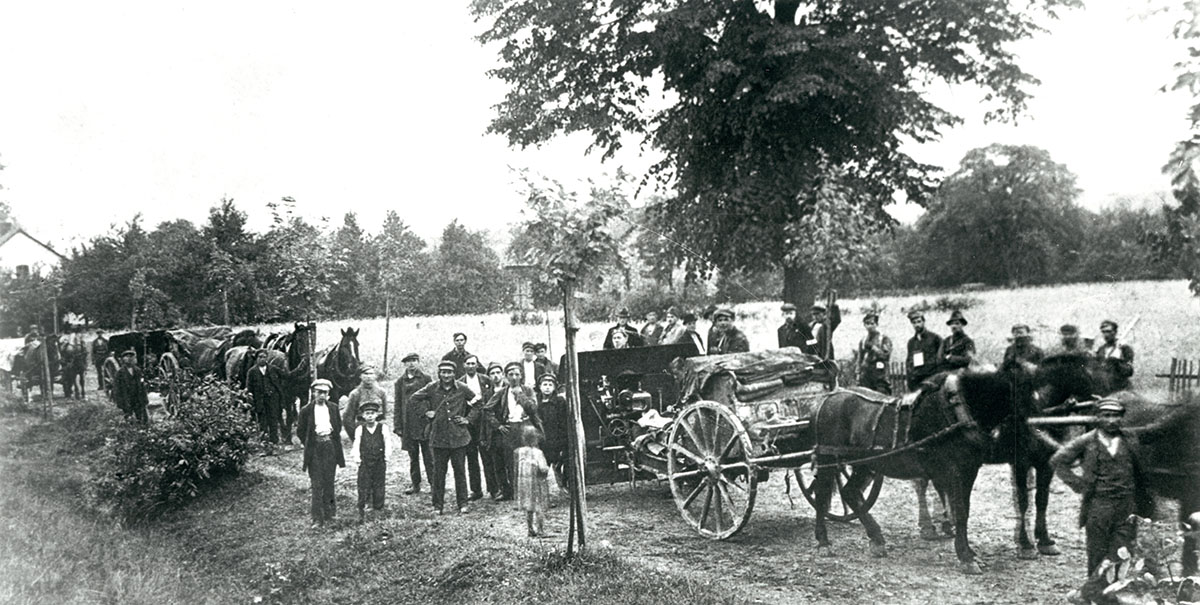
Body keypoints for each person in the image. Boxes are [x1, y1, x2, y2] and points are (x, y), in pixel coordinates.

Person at [1051, 399, 1153, 593]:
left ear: (1122, 418)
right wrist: (1079, 485)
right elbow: (1058, 461)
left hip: (1127, 506)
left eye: (1116, 416)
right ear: (1097, 418)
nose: (1112, 420)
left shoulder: (1130, 438)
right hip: (1099, 506)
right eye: (1106, 416)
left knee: (1122, 554)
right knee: (1097, 555)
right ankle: (1095, 596)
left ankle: (1098, 593)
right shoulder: (1087, 441)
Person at [412, 360, 477, 515]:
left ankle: (463, 504)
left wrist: (468, 419)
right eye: (443, 372)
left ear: (454, 374)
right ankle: (437, 506)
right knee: (438, 473)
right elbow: (414, 399)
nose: (446, 375)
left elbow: (478, 404)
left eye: (449, 372)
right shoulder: (432, 388)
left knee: (460, 471)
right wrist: (426, 412)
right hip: (438, 437)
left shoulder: (462, 388)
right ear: (439, 373)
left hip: (459, 438)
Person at [484, 361, 543, 501]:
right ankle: (512, 492)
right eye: (511, 374)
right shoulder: (502, 392)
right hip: (510, 429)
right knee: (511, 461)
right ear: (505, 376)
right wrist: (497, 425)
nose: (514, 377)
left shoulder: (527, 390)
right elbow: (487, 409)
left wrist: (520, 396)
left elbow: (533, 408)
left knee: (529, 460)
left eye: (517, 374)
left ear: (521, 376)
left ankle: (530, 491)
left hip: (526, 428)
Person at [297, 379, 346, 528]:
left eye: (325, 392)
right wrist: (311, 444)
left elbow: (337, 427)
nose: (321, 395)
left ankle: (330, 513)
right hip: (315, 448)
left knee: (329, 481)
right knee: (317, 483)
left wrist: (328, 440)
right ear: (313, 393)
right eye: (319, 392)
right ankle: (317, 518)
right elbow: (301, 431)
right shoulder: (306, 410)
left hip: (330, 446)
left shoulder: (333, 408)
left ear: (328, 394)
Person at [393, 353, 433, 495]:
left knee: (429, 456)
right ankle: (415, 484)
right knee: (413, 457)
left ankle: (434, 485)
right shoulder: (400, 382)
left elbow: (433, 399)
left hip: (424, 424)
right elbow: (397, 405)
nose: (411, 364)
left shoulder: (426, 379)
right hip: (408, 424)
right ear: (405, 364)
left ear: (418, 362)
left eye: (414, 361)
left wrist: (431, 417)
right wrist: (398, 426)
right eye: (408, 361)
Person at [348, 401, 392, 523]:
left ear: (377, 415)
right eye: (367, 413)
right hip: (365, 461)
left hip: (379, 461)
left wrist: (386, 457)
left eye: (372, 413)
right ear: (363, 416)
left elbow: (387, 443)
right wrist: (357, 459)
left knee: (379, 483)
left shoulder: (383, 428)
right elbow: (356, 444)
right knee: (364, 484)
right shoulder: (360, 429)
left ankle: (378, 507)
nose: (370, 416)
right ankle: (364, 506)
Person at [458, 355, 494, 501]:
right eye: (468, 363)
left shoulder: (486, 380)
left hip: (484, 422)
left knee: (487, 455)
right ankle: (476, 490)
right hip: (469, 423)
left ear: (477, 365)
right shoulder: (460, 383)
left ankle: (493, 488)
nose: (471, 366)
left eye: (473, 363)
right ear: (464, 365)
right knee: (471, 456)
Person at [246, 349, 287, 446]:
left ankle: (274, 442)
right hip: (260, 401)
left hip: (273, 400)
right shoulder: (252, 372)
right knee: (263, 422)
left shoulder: (273, 369)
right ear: (256, 359)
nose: (262, 359)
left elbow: (286, 375)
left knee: (273, 421)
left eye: (264, 357)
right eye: (260, 357)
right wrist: (250, 400)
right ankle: (264, 443)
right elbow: (249, 387)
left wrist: (299, 371)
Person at [516, 424, 551, 537]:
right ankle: (540, 529)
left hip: (524, 484)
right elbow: (543, 468)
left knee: (529, 507)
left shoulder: (520, 452)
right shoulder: (538, 453)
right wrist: (546, 470)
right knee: (539, 507)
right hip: (537, 483)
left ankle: (530, 529)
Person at [535, 373, 568, 489]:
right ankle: (543, 494)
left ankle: (564, 486)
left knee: (562, 465)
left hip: (557, 440)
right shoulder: (535, 403)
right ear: (540, 386)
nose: (547, 387)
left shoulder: (560, 402)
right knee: (541, 468)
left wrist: (563, 441)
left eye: (550, 385)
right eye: (545, 384)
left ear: (554, 387)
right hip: (542, 441)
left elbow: (564, 423)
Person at [342, 368, 388, 443]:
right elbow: (347, 418)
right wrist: (355, 436)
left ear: (375, 376)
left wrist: (384, 431)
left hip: (378, 430)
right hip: (362, 429)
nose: (368, 376)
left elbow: (386, 414)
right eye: (366, 374)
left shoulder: (382, 392)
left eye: (371, 374)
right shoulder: (355, 394)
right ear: (360, 376)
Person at [854, 312, 892, 394]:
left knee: (882, 395)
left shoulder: (883, 339)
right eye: (867, 324)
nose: (870, 326)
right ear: (864, 325)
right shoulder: (863, 340)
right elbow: (859, 358)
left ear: (876, 324)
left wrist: (874, 348)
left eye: (872, 323)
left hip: (880, 374)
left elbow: (886, 356)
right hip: (867, 374)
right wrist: (858, 374)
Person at [905, 310, 943, 391]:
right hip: (916, 380)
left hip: (931, 379)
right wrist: (910, 380)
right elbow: (908, 362)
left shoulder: (935, 338)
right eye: (914, 323)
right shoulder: (911, 342)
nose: (917, 325)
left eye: (919, 321)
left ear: (923, 321)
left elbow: (941, 359)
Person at [112, 349, 149, 424]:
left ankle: (143, 429)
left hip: (137, 397)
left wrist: (145, 398)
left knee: (142, 418)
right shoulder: (120, 373)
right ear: (123, 359)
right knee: (129, 418)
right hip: (126, 398)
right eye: (127, 357)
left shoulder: (138, 371)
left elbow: (142, 386)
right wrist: (119, 402)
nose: (129, 359)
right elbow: (117, 388)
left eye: (131, 357)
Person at [1095, 320, 1134, 391]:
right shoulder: (1101, 350)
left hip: (1121, 388)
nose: (1106, 335)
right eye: (1103, 332)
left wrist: (1116, 362)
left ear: (1115, 332)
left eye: (1108, 331)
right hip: (1105, 388)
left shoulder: (1124, 348)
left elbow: (1129, 371)